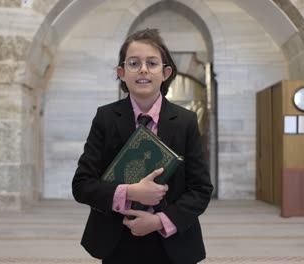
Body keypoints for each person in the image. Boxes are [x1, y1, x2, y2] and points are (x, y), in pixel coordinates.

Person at [72, 28, 213, 264]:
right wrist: (130, 193)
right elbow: (82, 185)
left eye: (152, 63)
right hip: (116, 241)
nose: (144, 70)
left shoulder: (185, 121)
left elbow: (200, 189)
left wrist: (159, 221)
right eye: (134, 63)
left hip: (172, 243)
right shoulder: (106, 118)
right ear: (121, 72)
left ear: (166, 72)